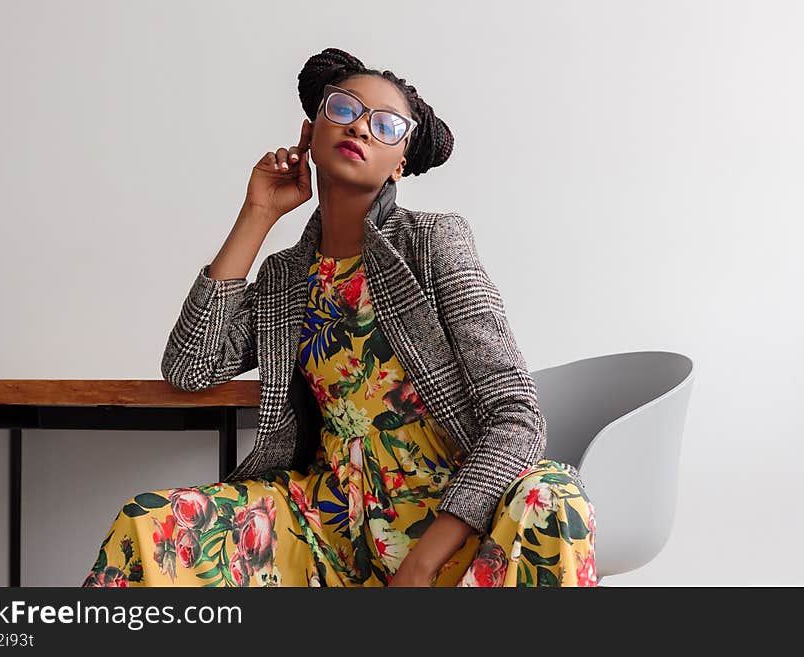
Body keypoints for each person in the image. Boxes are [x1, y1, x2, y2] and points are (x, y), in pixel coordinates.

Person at [82, 47, 597, 588]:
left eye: (386, 124)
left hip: (453, 524)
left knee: (554, 493)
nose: (363, 129)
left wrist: (422, 563)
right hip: (327, 525)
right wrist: (258, 215)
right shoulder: (288, 277)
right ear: (311, 132)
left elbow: (517, 415)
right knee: (150, 524)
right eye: (345, 109)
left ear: (400, 161)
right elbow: (189, 366)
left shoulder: (431, 243)